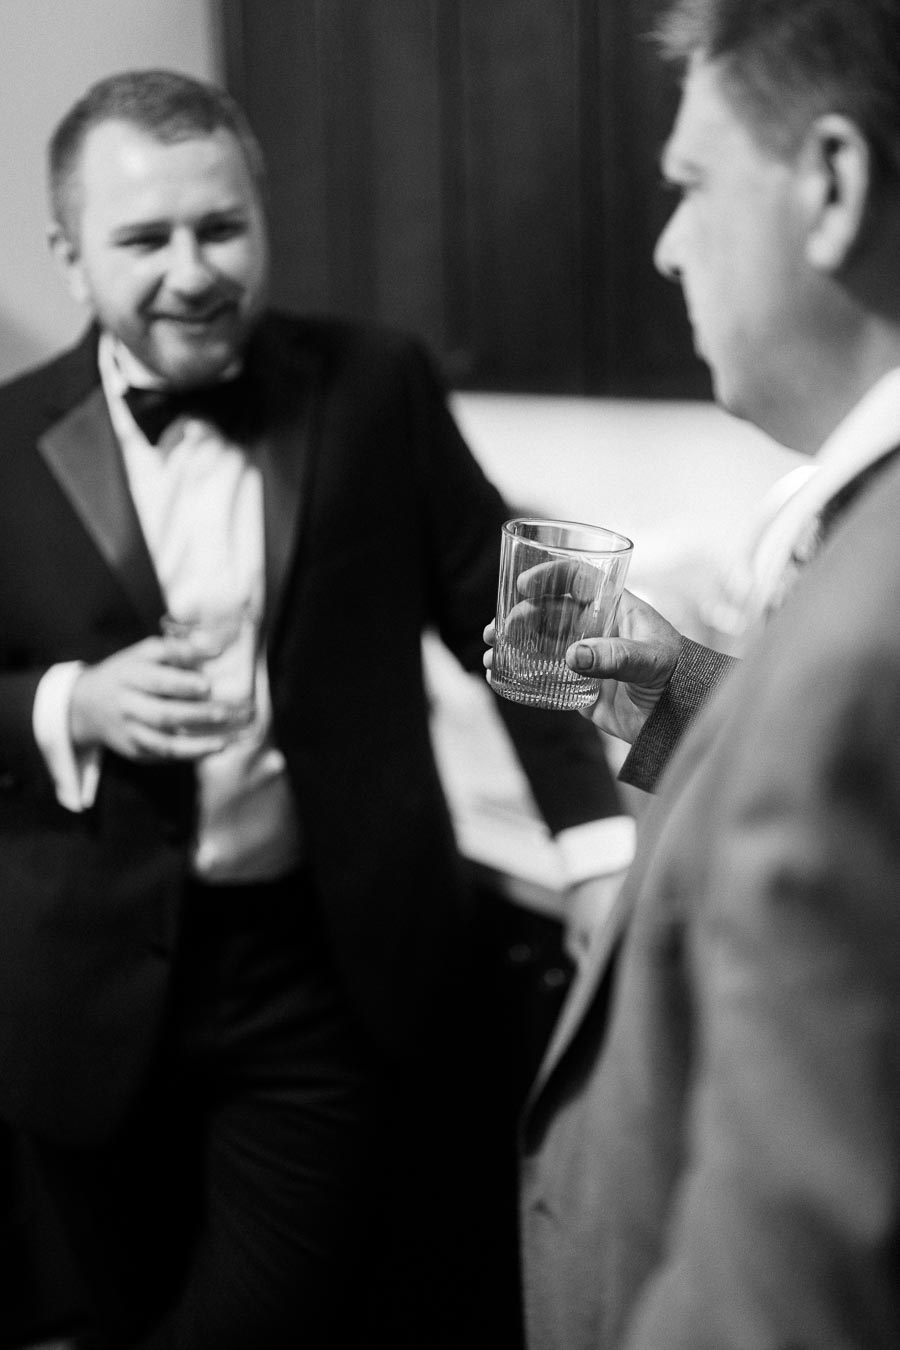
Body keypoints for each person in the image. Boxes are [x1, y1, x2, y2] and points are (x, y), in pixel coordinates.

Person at [0, 68, 633, 1350]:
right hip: (77, 990)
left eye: (221, 227)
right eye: (143, 239)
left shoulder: (373, 380)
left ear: (261, 215)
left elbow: (531, 606)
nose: (192, 271)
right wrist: (68, 704)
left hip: (325, 969)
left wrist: (613, 836)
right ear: (70, 259)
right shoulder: (5, 438)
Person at [484, 0, 900, 1345]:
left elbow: (791, 1272)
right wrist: (667, 689)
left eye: (691, 184)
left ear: (830, 187)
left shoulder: (867, 623)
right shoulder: (843, 542)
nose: (663, 249)